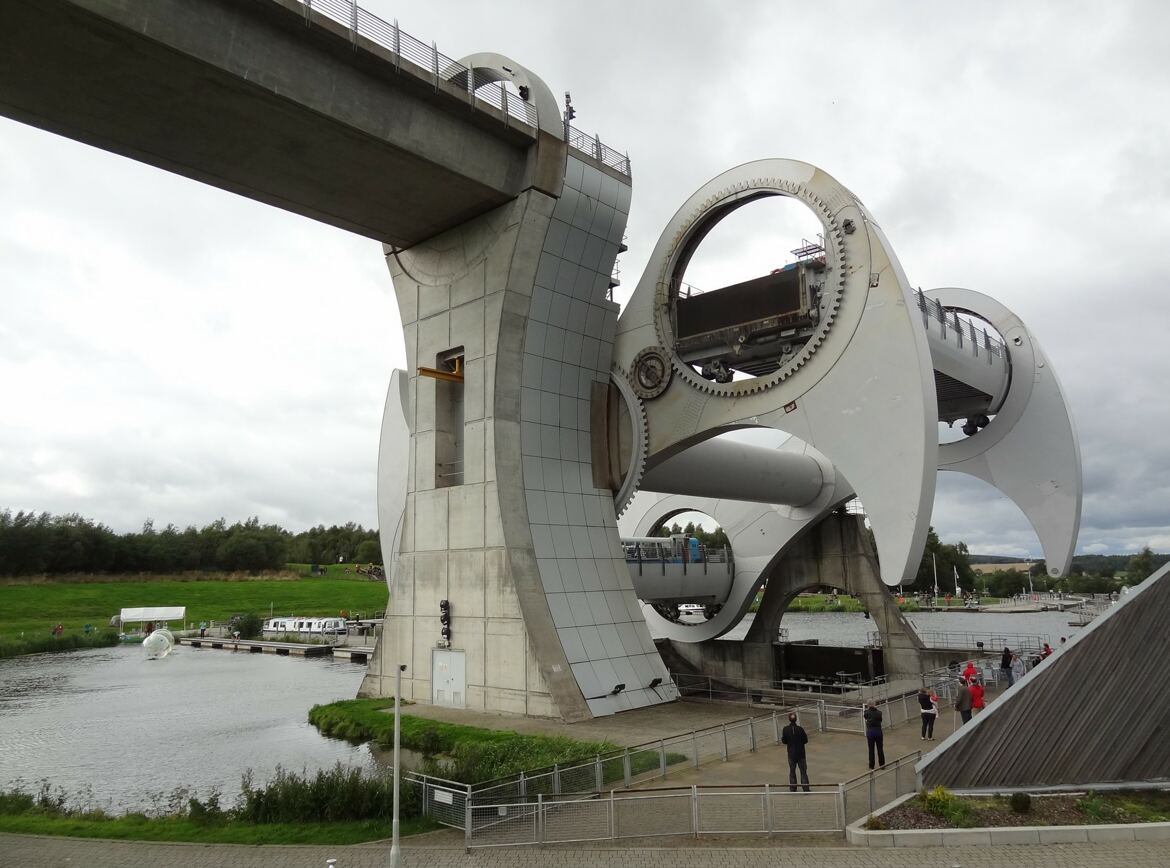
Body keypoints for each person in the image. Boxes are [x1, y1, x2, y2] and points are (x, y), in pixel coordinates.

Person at [780, 712, 810, 792]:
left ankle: (793, 787)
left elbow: (784, 741)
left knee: (792, 771)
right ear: (796, 719)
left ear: (789, 720)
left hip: (791, 754)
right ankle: (805, 788)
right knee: (803, 771)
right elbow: (805, 740)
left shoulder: (785, 729)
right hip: (801, 754)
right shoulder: (800, 729)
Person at [863, 701, 885, 769]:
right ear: (874, 705)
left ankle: (871, 765)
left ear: (868, 705)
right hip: (878, 732)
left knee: (871, 750)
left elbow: (866, 717)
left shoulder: (866, 713)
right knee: (880, 749)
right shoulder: (879, 713)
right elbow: (880, 720)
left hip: (871, 733)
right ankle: (882, 765)